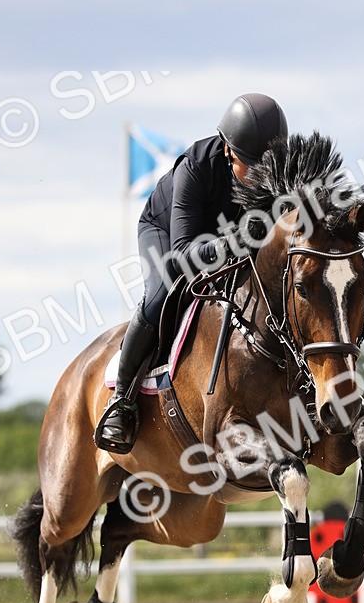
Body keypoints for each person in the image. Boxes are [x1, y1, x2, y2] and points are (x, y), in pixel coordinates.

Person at [95, 92, 288, 453]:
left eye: (270, 168)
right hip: (167, 234)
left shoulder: (274, 172)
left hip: (226, 240)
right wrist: (231, 243)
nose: (265, 178)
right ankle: (121, 401)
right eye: (255, 167)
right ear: (230, 151)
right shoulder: (195, 167)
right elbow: (183, 254)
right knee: (161, 294)